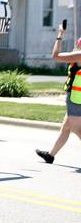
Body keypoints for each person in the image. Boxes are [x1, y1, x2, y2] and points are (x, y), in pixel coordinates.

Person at [36, 29, 81, 164]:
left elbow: (56, 56)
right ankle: (50, 155)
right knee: (66, 127)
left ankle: (51, 155)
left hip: (76, 98)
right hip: (76, 97)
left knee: (75, 129)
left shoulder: (79, 56)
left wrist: (60, 36)